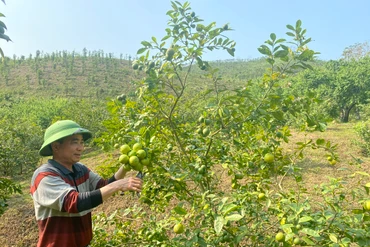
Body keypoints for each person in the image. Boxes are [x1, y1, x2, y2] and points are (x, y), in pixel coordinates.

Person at [30, 120, 143, 247]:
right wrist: (118, 185)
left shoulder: (80, 169)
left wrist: (126, 166)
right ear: (56, 146)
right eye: (74, 142)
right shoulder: (44, 176)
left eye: (81, 142)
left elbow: (103, 186)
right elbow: (75, 203)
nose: (81, 148)